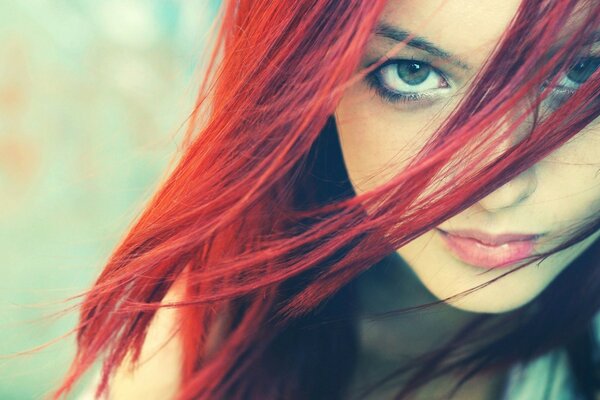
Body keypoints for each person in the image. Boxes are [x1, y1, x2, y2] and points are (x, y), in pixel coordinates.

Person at [55, 0, 600, 399]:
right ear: (312, 87)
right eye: (413, 73)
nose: (499, 188)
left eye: (581, 74)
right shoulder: (206, 336)